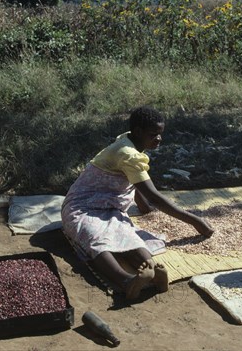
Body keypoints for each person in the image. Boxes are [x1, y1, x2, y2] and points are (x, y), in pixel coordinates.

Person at [62, 106, 214, 300]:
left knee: (127, 235)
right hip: (82, 206)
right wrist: (194, 220)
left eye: (160, 134)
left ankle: (152, 269)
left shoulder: (129, 140)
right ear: (138, 131)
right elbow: (152, 195)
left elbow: (133, 182)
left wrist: (143, 207)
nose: (159, 139)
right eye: (153, 134)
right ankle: (127, 280)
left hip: (110, 206)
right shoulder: (128, 154)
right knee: (96, 238)